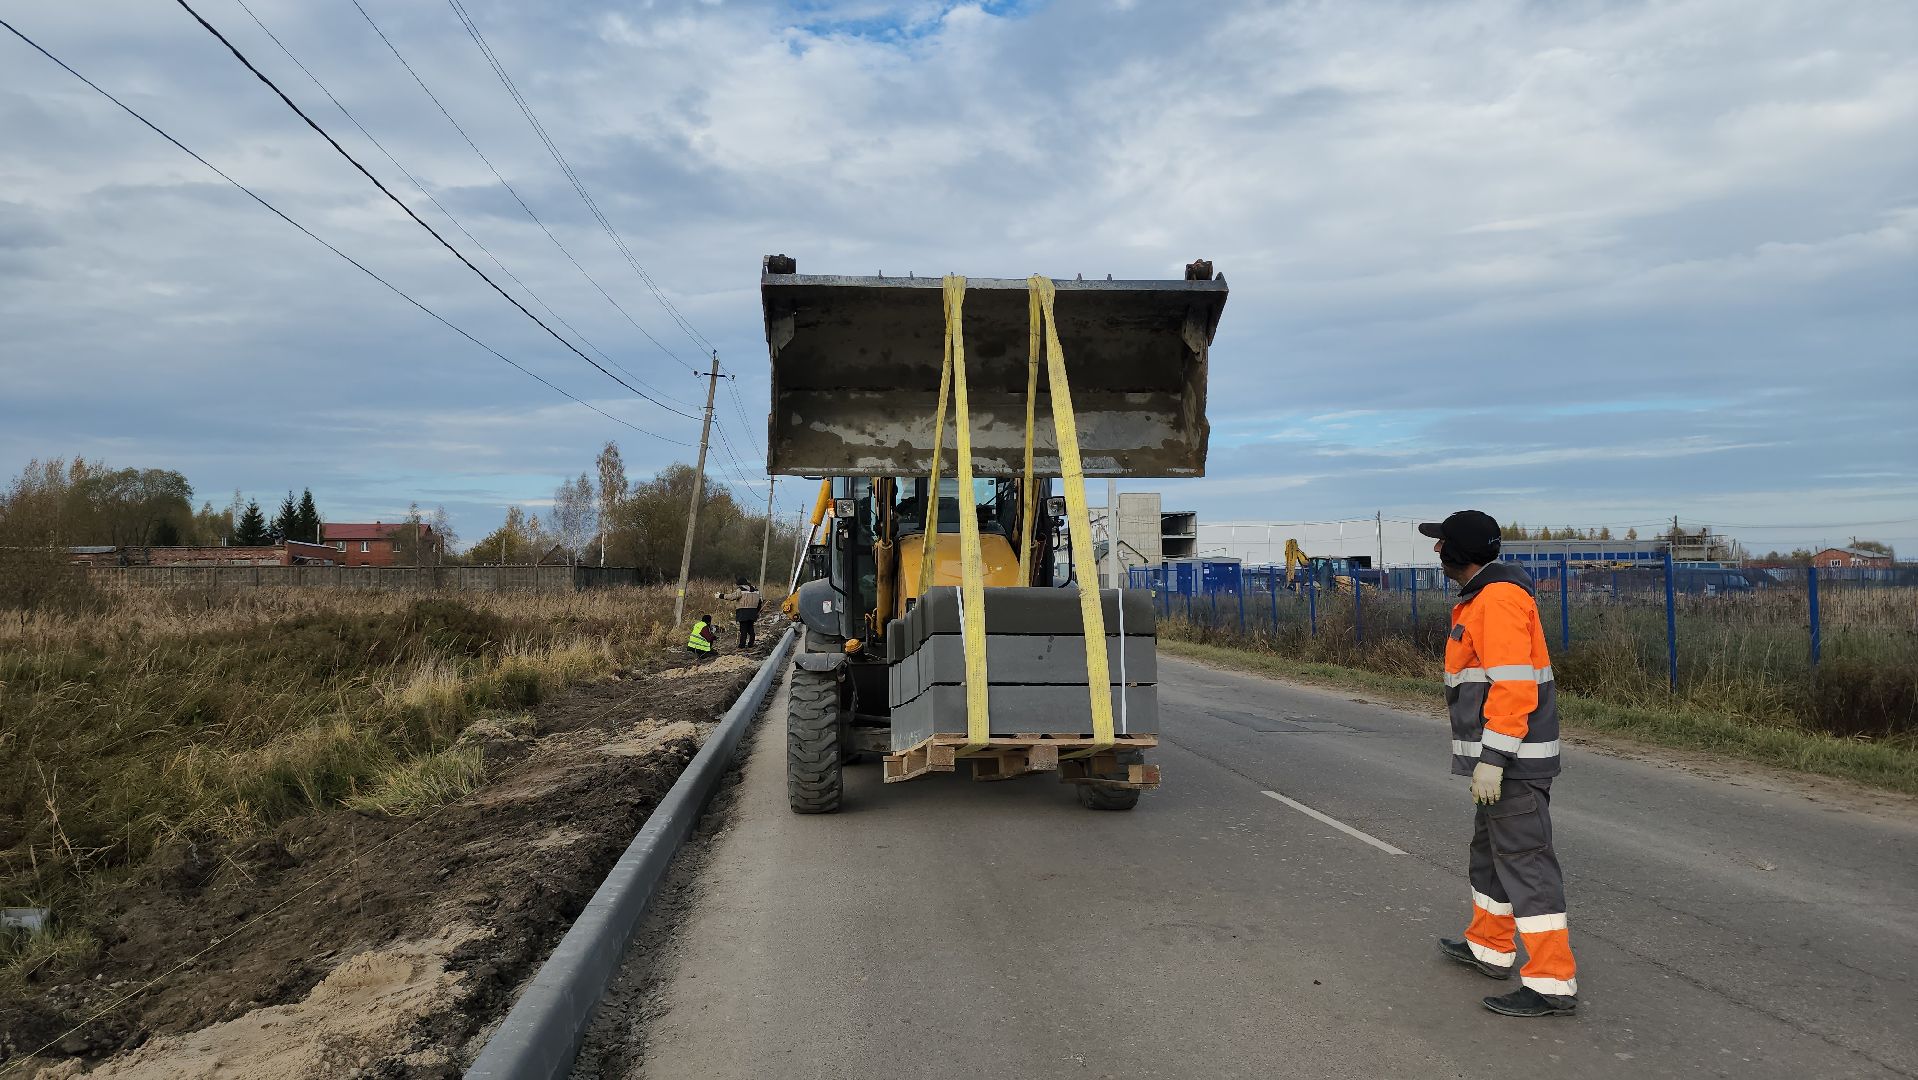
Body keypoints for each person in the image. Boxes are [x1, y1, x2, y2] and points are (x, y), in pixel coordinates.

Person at [1422, 510, 1578, 1018]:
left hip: (1513, 763)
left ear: (1458, 553)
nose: (1435, 551)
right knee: (1490, 857)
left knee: (1527, 864)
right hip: (1503, 762)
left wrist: (1493, 758)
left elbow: (1513, 685)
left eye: (1440, 543)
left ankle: (1553, 983)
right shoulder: (1483, 598)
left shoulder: (1499, 600)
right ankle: (1489, 946)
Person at [716, 578, 763, 648]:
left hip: (743, 612)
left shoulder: (741, 590)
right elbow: (760, 602)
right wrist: (757, 611)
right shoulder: (756, 590)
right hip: (753, 612)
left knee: (743, 629)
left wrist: (720, 595)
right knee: (750, 628)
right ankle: (751, 644)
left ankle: (742, 645)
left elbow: (732, 596)